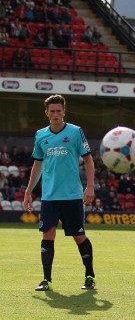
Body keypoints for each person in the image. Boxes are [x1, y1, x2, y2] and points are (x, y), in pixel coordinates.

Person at [23, 94, 96, 291]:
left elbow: (88, 159)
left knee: (78, 236)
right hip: (49, 196)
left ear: (64, 111)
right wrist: (28, 191)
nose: (56, 114)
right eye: (52, 111)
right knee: (48, 234)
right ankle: (47, 280)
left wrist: (90, 186)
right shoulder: (40, 135)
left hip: (72, 195)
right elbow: (37, 164)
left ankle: (89, 275)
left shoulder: (75, 132)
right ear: (46, 113)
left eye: (59, 111)